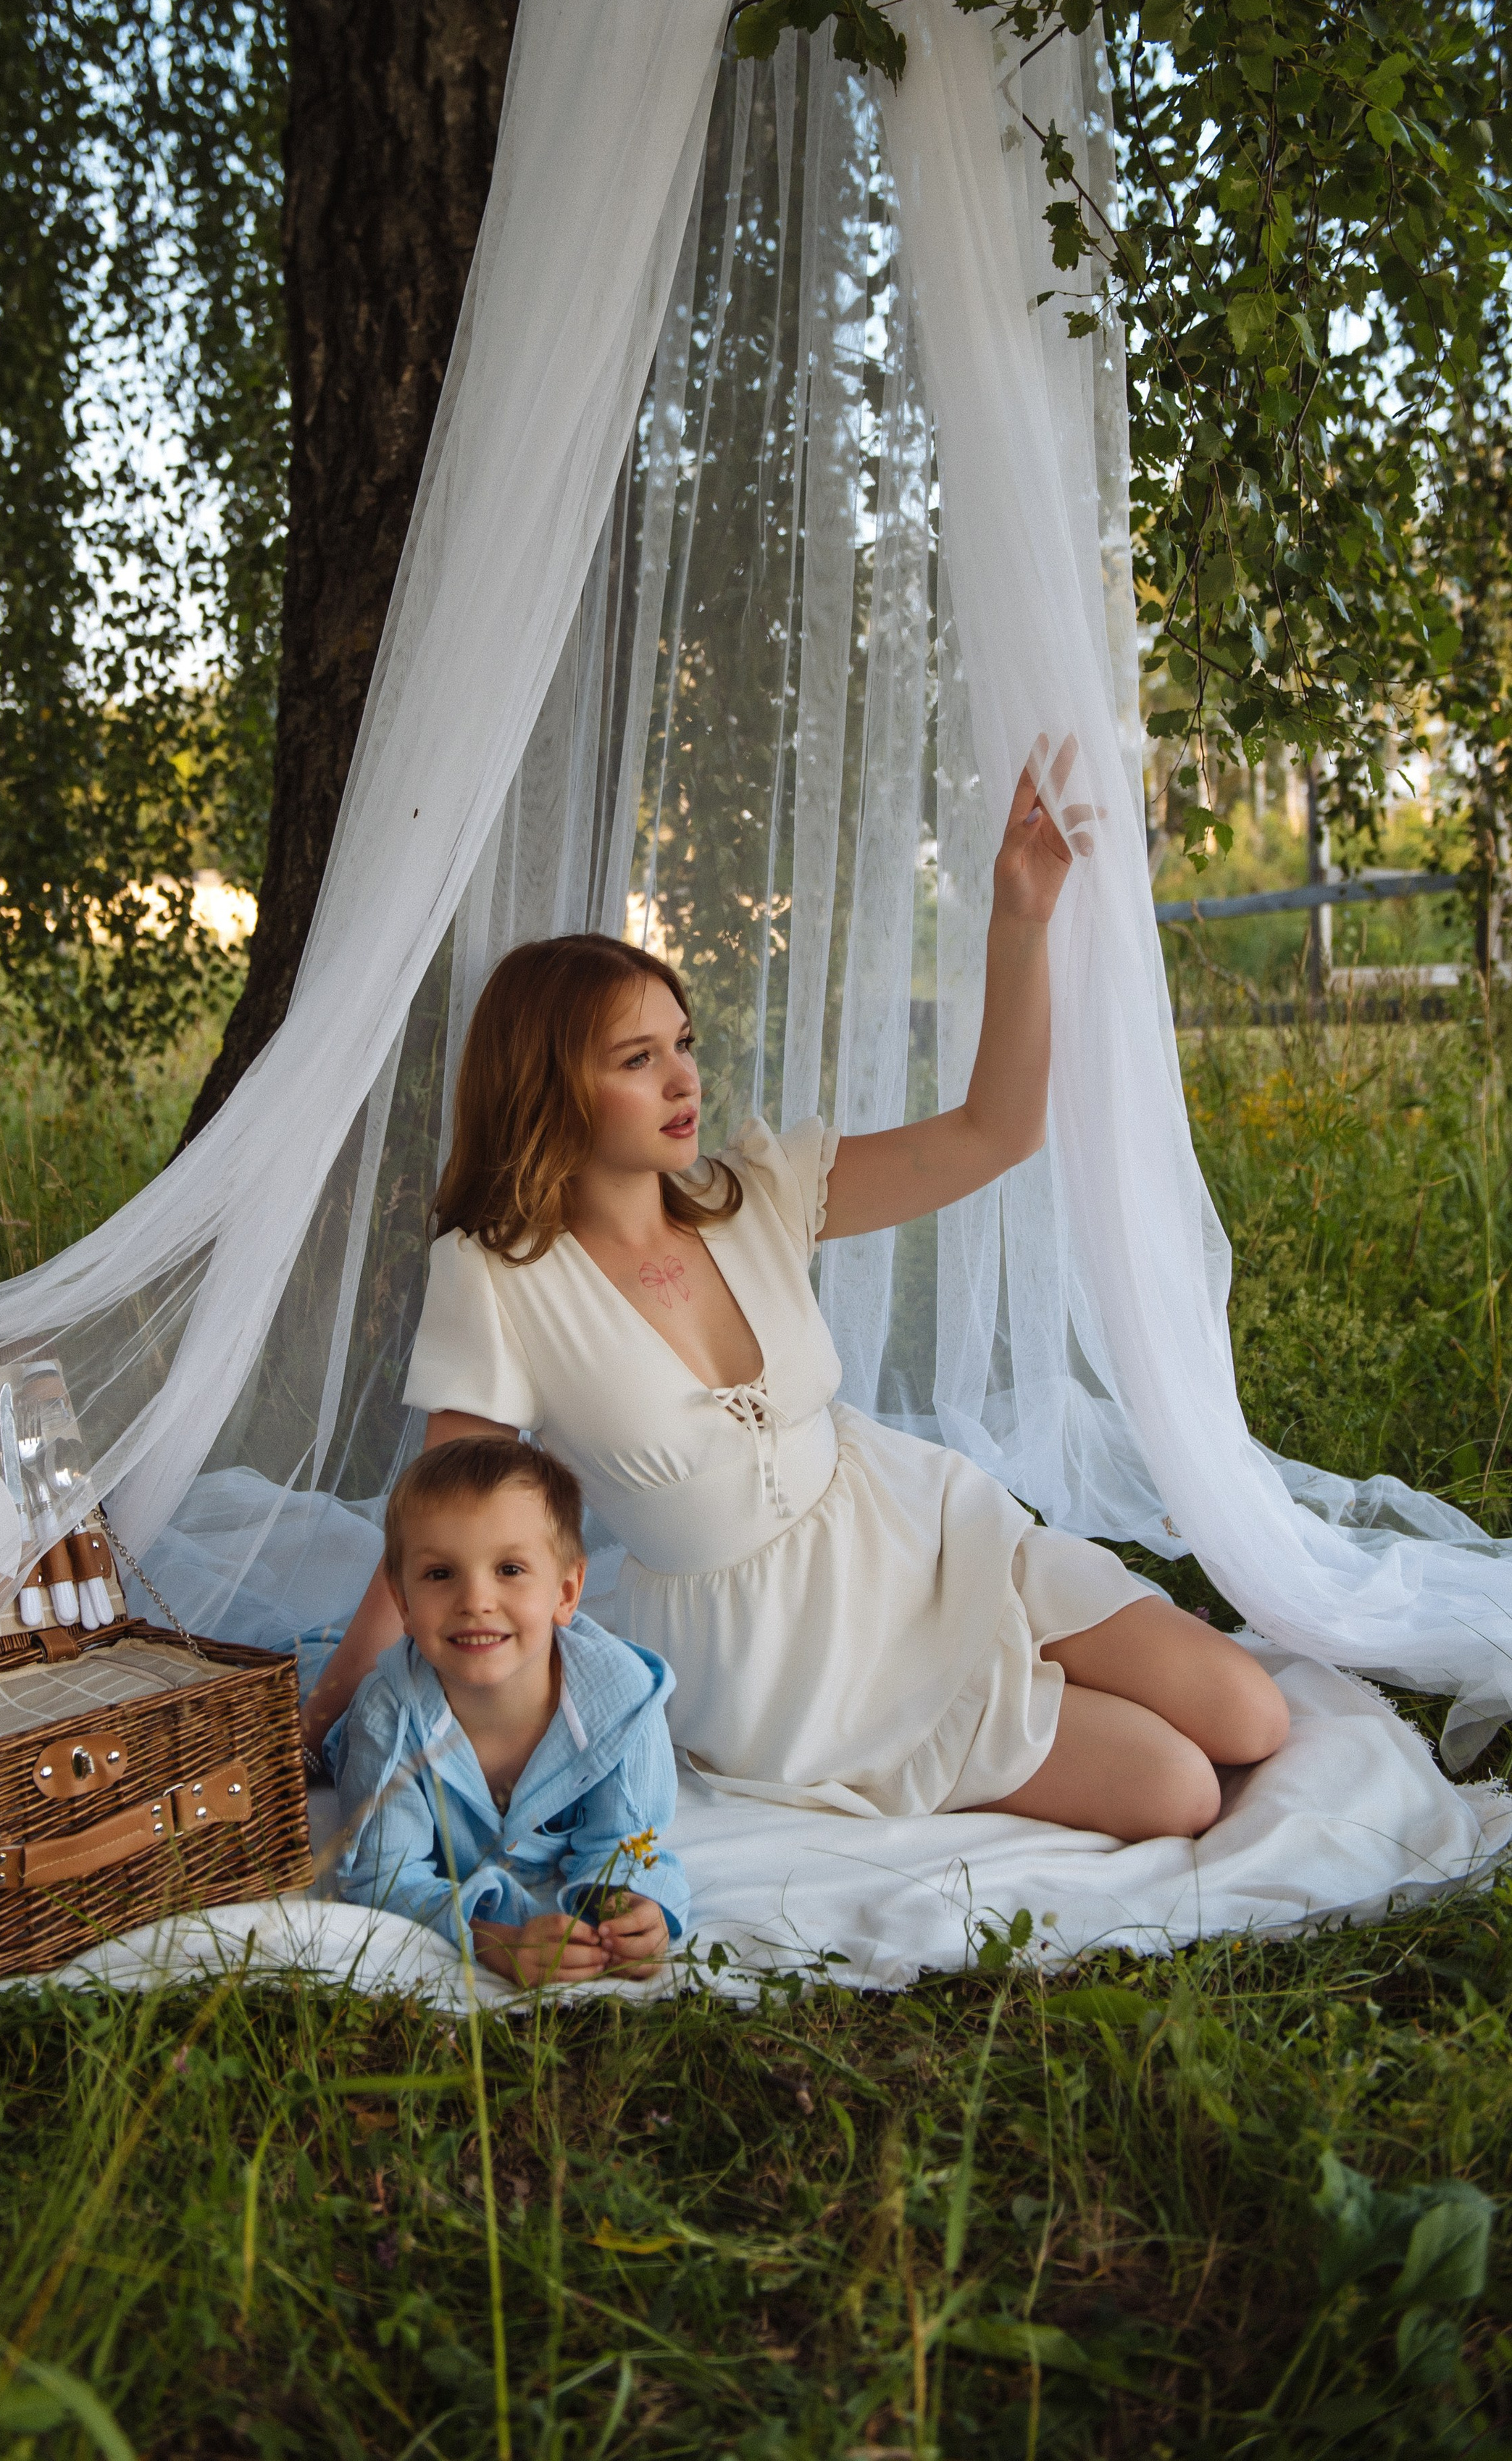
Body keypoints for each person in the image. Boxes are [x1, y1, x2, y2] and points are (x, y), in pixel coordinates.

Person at [306, 738, 1290, 1843]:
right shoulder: (497, 1275)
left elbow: (997, 1130)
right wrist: (347, 1685)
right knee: (1182, 1790)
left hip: (916, 1537)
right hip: (787, 1660)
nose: (684, 1077)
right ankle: (1007, 1711)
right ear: (547, 1087)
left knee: (1249, 1712)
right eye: (637, 1059)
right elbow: (447, 1505)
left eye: (682, 1042)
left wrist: (1019, 918)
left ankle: (1042, 1657)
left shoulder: (754, 1194)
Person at [327, 1435, 688, 1986]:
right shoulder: (389, 1715)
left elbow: (627, 1839)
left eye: (511, 1569)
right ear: (402, 1603)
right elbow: (383, 1875)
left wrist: (632, 1911)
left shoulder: (622, 1702)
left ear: (566, 1592)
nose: (476, 1600)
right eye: (440, 1574)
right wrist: (495, 1941)